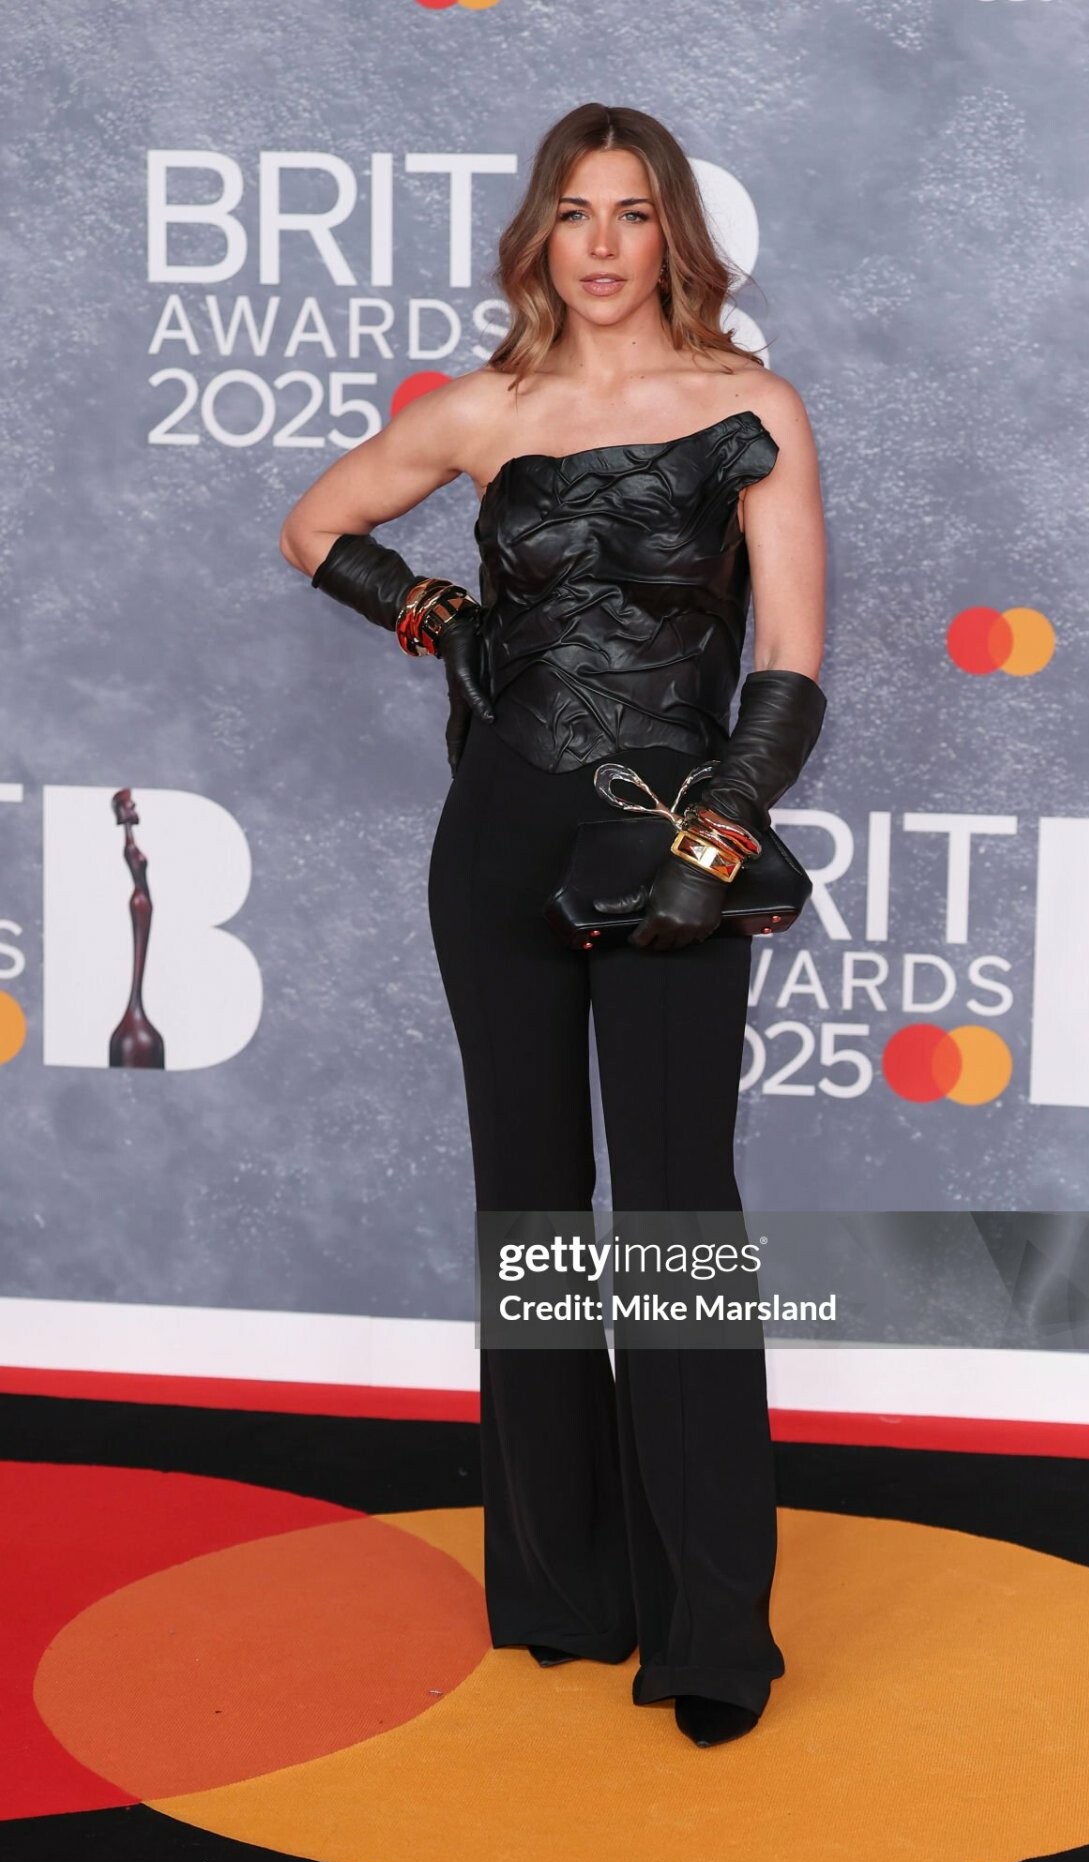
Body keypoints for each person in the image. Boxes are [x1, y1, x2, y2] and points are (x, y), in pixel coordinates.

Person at [279, 103, 827, 1748]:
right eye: (575, 212)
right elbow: (315, 526)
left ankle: (711, 1634)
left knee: (673, 1222)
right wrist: (440, 618)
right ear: (540, 237)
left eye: (632, 212)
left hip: (668, 847)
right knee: (528, 1208)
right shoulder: (482, 412)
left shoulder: (751, 409)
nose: (601, 243)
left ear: (674, 237)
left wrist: (713, 846)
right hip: (499, 848)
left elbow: (791, 665)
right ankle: (564, 1590)